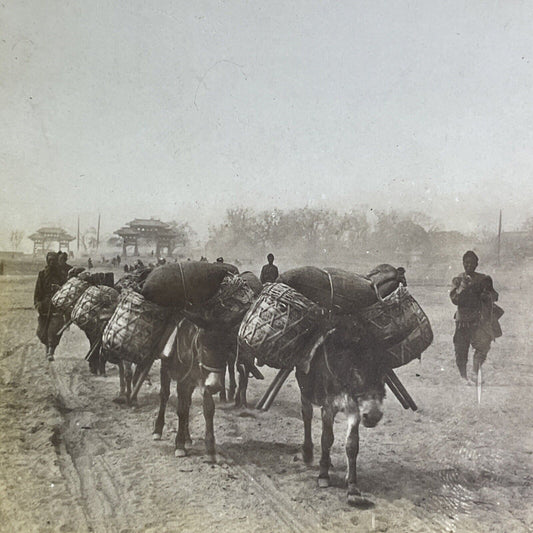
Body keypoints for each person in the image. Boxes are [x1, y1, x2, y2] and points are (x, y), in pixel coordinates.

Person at [450, 250, 503, 384]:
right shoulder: (458, 280)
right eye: (466, 263)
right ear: (462, 263)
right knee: (461, 349)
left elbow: (495, 296)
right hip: (462, 320)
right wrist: (463, 285)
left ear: (476, 264)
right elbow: (455, 299)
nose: (469, 266)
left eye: (472, 263)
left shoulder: (484, 279)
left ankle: (474, 372)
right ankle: (463, 377)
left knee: (483, 346)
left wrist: (487, 296)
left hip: (479, 319)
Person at [34, 252, 65, 361]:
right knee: (41, 331)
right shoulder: (42, 274)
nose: (52, 263)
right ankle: (47, 348)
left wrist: (59, 289)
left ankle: (51, 351)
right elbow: (37, 291)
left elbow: (66, 290)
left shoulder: (61, 275)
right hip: (44, 306)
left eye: (54, 260)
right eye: (50, 260)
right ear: (47, 261)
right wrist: (37, 303)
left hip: (58, 306)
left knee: (54, 330)